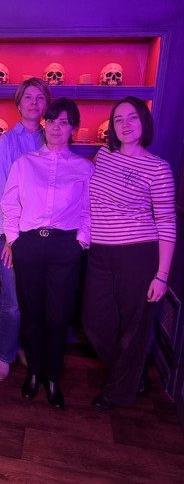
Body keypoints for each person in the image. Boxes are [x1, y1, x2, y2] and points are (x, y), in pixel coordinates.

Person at [82, 96, 176, 411]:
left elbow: (166, 223)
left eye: (132, 117)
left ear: (144, 122)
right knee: (94, 323)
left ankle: (119, 393)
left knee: (134, 328)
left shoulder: (158, 168)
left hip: (138, 255)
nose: (125, 124)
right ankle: (133, 376)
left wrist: (161, 276)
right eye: (118, 119)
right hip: (99, 253)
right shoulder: (103, 156)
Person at [1, 98, 94, 409]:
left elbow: (88, 210)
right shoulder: (24, 163)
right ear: (45, 124)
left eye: (64, 122)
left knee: (58, 316)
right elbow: (9, 203)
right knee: (31, 314)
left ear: (73, 129)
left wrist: (80, 243)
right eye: (51, 121)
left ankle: (53, 377)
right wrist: (14, 241)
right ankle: (34, 373)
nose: (56, 127)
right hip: (29, 245)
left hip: (65, 247)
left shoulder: (84, 167)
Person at [0, 77, 52, 382]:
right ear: (18, 104)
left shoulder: (51, 139)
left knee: (35, 297)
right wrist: (9, 240)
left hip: (40, 235)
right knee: (13, 299)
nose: (34, 103)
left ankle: (27, 346)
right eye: (28, 97)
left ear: (46, 105)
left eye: (40, 98)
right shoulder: (6, 143)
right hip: (7, 235)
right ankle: (4, 352)